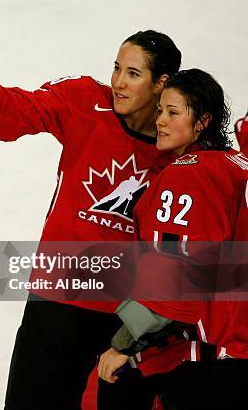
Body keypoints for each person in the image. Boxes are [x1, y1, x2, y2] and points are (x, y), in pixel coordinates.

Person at [0, 30, 181, 410]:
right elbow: (23, 109)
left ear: (161, 83)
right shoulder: (86, 101)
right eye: (116, 69)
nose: (118, 82)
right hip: (56, 299)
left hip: (122, 322)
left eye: (133, 74)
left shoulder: (180, 145)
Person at [97, 69, 248, 410]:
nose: (160, 120)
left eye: (173, 112)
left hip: (216, 361)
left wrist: (123, 345)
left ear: (202, 121)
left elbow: (176, 281)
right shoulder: (238, 165)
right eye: (160, 110)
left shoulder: (188, 173)